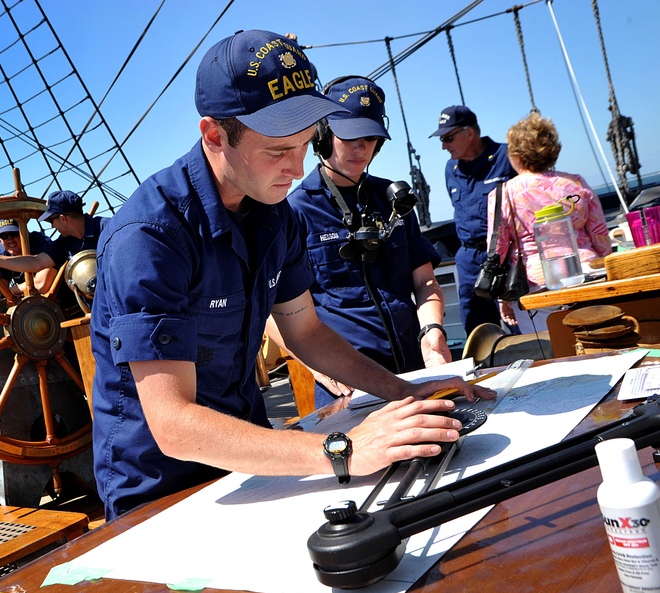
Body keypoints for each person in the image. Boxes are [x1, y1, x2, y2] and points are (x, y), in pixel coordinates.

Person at [90, 29, 493, 520]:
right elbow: (174, 424)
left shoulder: (276, 214)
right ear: (215, 135)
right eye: (278, 150)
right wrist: (345, 450)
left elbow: (305, 331)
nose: (296, 167)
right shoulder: (150, 236)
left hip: (253, 464)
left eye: (304, 145)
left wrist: (406, 390)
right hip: (156, 490)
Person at [285, 76, 449, 408]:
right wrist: (312, 363)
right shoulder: (294, 212)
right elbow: (273, 311)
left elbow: (425, 279)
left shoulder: (395, 200)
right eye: (350, 137)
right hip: (346, 385)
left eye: (371, 138)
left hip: (414, 369)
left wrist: (433, 330)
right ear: (323, 134)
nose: (362, 149)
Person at [489, 112, 611, 333]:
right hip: (587, 275)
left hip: (537, 283)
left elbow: (498, 250)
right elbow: (601, 237)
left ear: (517, 155)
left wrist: (502, 298)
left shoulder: (503, 194)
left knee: (551, 351)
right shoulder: (576, 183)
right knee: (599, 341)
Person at [430, 105, 517, 334]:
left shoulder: (508, 157)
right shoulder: (451, 168)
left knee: (524, 327)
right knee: (479, 333)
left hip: (507, 256)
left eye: (448, 138)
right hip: (469, 260)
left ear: (469, 133)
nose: (443, 146)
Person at [0, 190, 102, 281]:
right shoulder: (64, 243)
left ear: (63, 219)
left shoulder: (105, 230)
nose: (51, 226)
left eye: (51, 220)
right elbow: (36, 262)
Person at [0, 222, 55, 298]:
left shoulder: (42, 244)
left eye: (14, 234)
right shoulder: (0, 252)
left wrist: (6, 292)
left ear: (25, 232)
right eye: (4, 236)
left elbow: (41, 285)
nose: (10, 239)